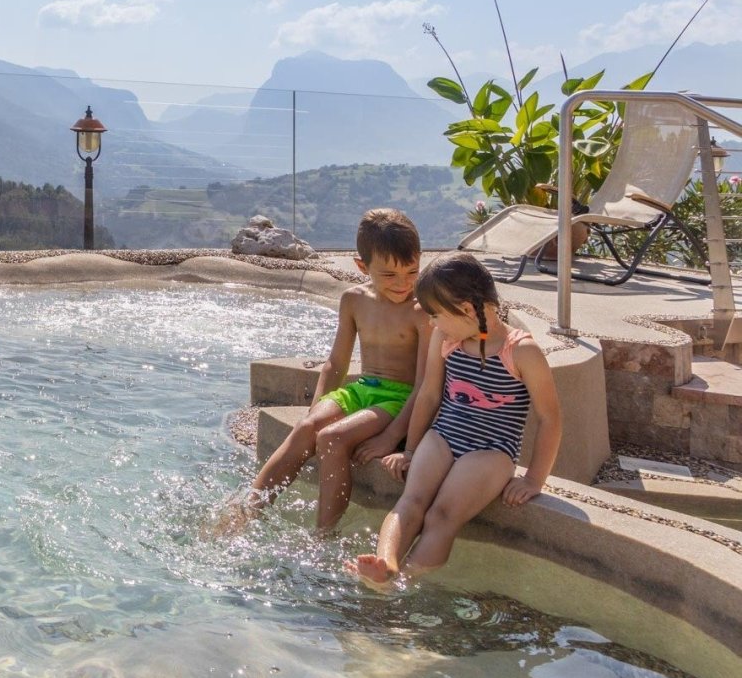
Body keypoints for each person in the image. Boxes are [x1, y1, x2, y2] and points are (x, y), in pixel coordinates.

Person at [349, 252, 561, 588]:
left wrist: (534, 480)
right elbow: (430, 395)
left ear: (466, 309)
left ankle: (405, 582)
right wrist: (412, 449)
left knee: (441, 516)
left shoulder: (521, 352)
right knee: (412, 501)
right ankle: (386, 564)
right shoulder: (447, 340)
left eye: (436, 315)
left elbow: (550, 419)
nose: (431, 323)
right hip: (444, 436)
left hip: (491, 452)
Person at [216, 208, 430, 535]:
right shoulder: (354, 301)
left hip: (399, 399)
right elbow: (336, 364)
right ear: (363, 266)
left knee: (331, 438)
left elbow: (425, 384)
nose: (403, 283)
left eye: (412, 271)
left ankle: (323, 534)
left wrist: (390, 436)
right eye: (389, 275)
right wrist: (316, 410)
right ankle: (248, 509)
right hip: (363, 390)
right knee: (307, 428)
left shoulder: (421, 310)